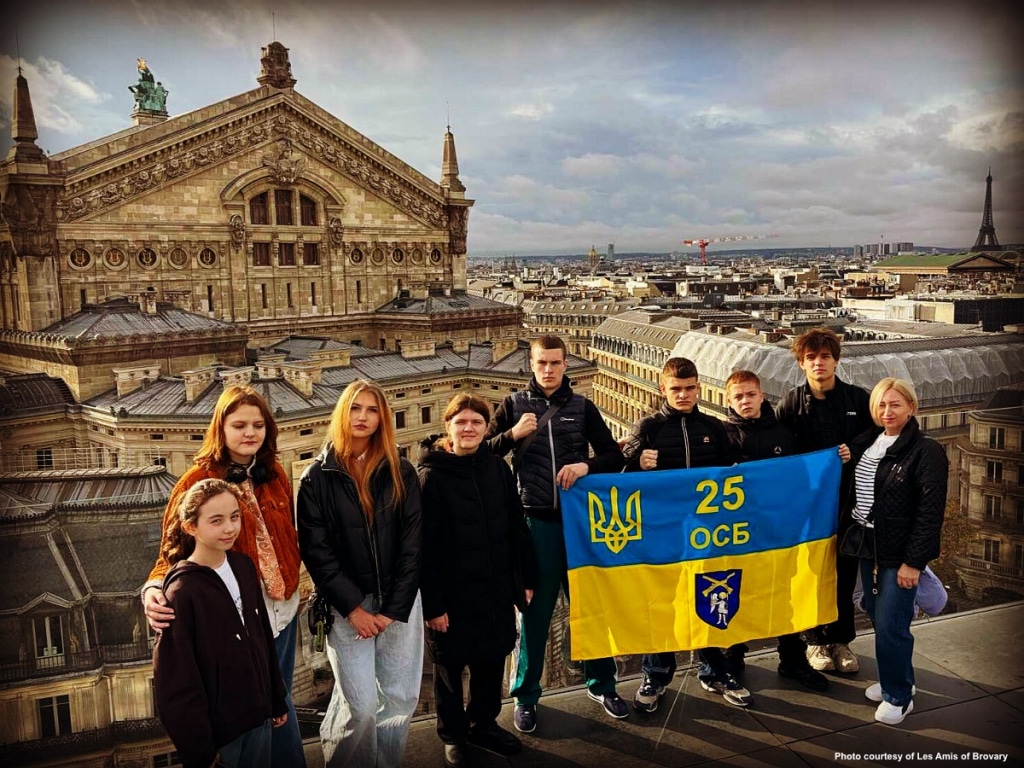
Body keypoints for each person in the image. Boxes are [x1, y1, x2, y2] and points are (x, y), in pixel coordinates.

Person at [142, 386, 306, 768]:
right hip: (239, 612)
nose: (250, 433)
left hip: (283, 606)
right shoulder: (196, 480)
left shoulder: (276, 473)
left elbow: (288, 533)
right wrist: (153, 589)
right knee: (258, 708)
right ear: (221, 428)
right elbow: (170, 550)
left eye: (258, 425)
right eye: (239, 425)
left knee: (278, 702)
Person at [487, 334, 626, 732]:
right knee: (534, 613)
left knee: (589, 607)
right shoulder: (512, 406)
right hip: (535, 523)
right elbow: (483, 453)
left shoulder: (583, 407)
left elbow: (614, 455)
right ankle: (526, 695)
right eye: (541, 363)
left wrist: (585, 466)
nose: (548, 370)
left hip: (580, 523)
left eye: (555, 363)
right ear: (531, 365)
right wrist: (512, 435)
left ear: (566, 365)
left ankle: (603, 684)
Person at [298, 380, 423, 767]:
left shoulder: (401, 470)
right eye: (356, 408)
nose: (363, 417)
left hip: (398, 605)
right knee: (363, 704)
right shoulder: (315, 478)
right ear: (341, 413)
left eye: (372, 410)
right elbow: (317, 554)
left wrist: (391, 610)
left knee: (399, 698)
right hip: (346, 608)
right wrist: (354, 608)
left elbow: (413, 546)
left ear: (382, 418)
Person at [419, 394, 538, 768]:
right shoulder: (431, 476)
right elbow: (423, 548)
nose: (469, 429)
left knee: (491, 662)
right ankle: (453, 735)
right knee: (450, 672)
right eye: (461, 422)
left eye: (476, 422)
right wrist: (434, 604)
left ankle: (483, 724)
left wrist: (525, 579)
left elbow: (517, 528)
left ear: (487, 429)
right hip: (453, 595)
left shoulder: (498, 469)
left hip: (496, 587)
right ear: (448, 428)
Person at [621, 357, 748, 710]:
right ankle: (656, 674)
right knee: (662, 604)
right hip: (662, 533)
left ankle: (716, 670)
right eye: (676, 389)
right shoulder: (647, 427)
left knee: (709, 599)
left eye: (690, 388)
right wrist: (635, 465)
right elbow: (618, 479)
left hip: (706, 533)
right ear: (663, 389)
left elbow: (733, 471)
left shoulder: (713, 426)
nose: (683, 394)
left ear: (698, 388)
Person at [154, 479, 288, 768]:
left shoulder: (243, 567)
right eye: (216, 521)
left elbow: (263, 638)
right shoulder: (182, 593)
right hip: (221, 737)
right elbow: (176, 683)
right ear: (191, 526)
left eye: (234, 517)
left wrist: (277, 699)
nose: (229, 528)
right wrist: (200, 751)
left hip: (260, 719)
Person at [844, 378, 947, 725]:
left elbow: (930, 513)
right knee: (876, 612)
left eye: (895, 405)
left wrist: (913, 563)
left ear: (911, 407)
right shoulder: (867, 443)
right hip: (867, 545)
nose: (887, 412)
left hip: (899, 552)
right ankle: (900, 679)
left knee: (892, 622)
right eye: (881, 405)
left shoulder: (925, 451)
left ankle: (899, 697)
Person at [724, 370, 834, 692]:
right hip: (738, 534)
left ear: (762, 396)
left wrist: (834, 458)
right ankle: (733, 657)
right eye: (738, 396)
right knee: (738, 594)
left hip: (780, 532)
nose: (745, 401)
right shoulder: (722, 436)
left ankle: (793, 660)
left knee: (786, 596)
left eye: (750, 395)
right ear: (728, 401)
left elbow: (804, 476)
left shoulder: (784, 434)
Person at [776, 327, 872, 675]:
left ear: (836, 360)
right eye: (811, 358)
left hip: (848, 503)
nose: (819, 363)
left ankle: (841, 640)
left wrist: (855, 448)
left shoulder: (858, 399)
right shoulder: (791, 402)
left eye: (825, 357)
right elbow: (778, 447)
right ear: (801, 364)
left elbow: (877, 431)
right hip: (808, 506)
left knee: (844, 576)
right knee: (811, 574)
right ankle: (815, 640)